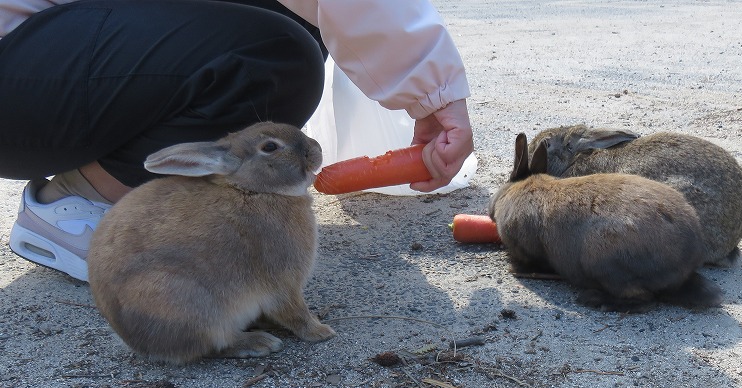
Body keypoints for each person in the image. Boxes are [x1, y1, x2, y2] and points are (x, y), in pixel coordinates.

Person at [0, 0, 474, 282]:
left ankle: (127, 182)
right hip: (19, 64)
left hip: (52, 44)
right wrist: (433, 91)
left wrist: (427, 89)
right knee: (271, 56)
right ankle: (79, 205)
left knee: (289, 19)